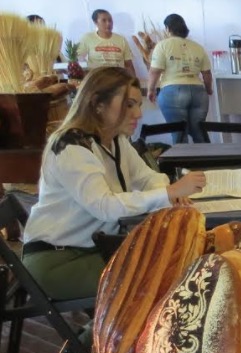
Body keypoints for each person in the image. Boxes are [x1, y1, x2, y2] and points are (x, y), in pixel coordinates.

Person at [22, 67, 206, 303]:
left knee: (174, 266)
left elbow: (146, 177)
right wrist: (169, 192)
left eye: (138, 104)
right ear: (98, 104)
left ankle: (94, 339)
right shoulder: (71, 146)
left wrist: (170, 194)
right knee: (162, 280)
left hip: (94, 249)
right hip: (57, 260)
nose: (138, 113)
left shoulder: (114, 140)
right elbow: (105, 207)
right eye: (129, 105)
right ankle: (92, 340)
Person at [147, 14, 212, 144]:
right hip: (198, 92)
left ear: (167, 28)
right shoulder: (198, 47)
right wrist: (208, 89)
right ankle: (207, 163)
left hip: (173, 91)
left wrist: (151, 90)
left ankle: (183, 164)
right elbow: (207, 73)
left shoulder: (163, 45)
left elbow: (155, 71)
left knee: (179, 134)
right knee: (199, 133)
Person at [79, 9, 135, 75]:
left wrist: (134, 81)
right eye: (104, 20)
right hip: (96, 78)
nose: (108, 23)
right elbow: (79, 60)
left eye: (110, 20)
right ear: (95, 22)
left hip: (118, 78)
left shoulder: (121, 39)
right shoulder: (87, 38)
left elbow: (128, 64)